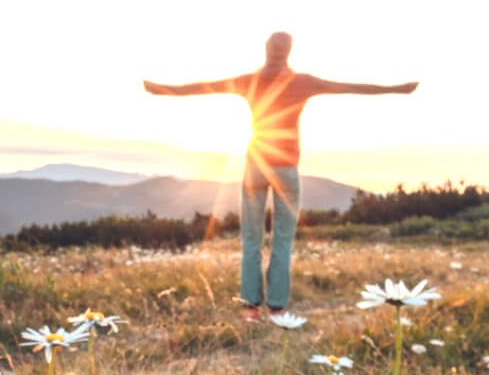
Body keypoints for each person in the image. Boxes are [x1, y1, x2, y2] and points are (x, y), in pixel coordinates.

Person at [144, 32, 418, 321]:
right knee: (282, 241)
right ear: (289, 51)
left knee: (251, 239)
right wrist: (397, 89)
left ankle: (251, 308)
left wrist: (159, 90)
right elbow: (351, 87)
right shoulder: (303, 82)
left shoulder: (250, 80)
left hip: (256, 165)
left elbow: (203, 88)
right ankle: (276, 308)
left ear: (266, 49)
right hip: (286, 168)